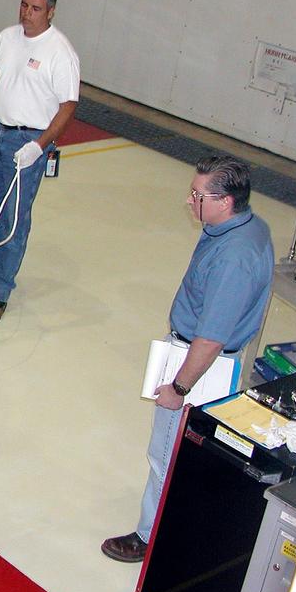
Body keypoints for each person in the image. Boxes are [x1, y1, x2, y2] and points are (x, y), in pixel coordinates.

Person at [102, 155, 273, 564]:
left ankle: (150, 538)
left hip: (199, 364)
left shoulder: (234, 258)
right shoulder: (243, 227)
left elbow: (211, 338)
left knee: (167, 454)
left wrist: (179, 388)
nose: (189, 201)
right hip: (200, 353)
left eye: (198, 196)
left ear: (226, 200)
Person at [0, 0, 80, 324]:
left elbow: (69, 105)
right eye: (24, 5)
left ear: (51, 11)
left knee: (14, 219)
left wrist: (38, 148)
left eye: (36, 8)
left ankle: (0, 293)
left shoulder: (60, 52)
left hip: (30, 142)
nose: (27, 13)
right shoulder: (5, 39)